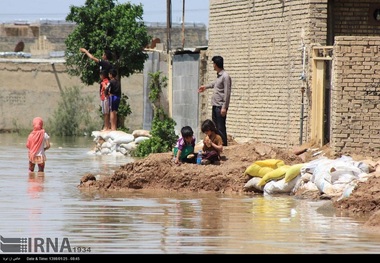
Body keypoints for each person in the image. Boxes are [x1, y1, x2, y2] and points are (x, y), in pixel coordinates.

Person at [198, 55, 231, 146]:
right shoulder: (219, 76)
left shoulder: (225, 76)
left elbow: (227, 93)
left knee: (220, 127)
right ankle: (217, 143)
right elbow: (214, 84)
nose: (213, 65)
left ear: (216, 64)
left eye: (213, 63)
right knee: (215, 126)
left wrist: (224, 107)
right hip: (215, 105)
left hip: (220, 106)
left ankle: (223, 145)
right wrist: (205, 87)